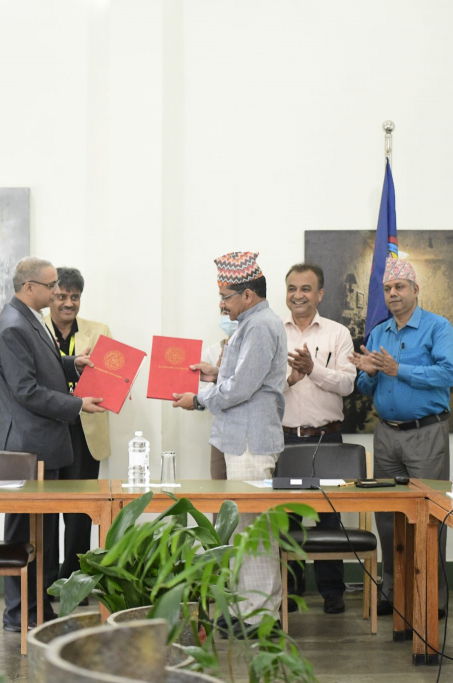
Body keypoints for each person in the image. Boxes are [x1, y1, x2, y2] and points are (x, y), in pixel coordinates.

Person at [173, 251, 288, 632]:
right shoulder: (252, 324)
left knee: (255, 530)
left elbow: (240, 388)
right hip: (238, 439)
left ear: (248, 295)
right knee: (237, 529)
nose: (221, 304)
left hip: (251, 444)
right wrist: (213, 372)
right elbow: (240, 377)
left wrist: (200, 396)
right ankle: (243, 611)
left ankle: (259, 617)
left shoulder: (259, 326)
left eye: (225, 296)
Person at [0, 256, 104, 632]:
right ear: (29, 288)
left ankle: (39, 609)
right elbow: (26, 390)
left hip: (42, 447)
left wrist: (73, 364)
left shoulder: (27, 318)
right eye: (51, 286)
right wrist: (76, 404)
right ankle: (19, 614)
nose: (57, 292)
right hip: (26, 451)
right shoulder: (12, 326)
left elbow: (46, 364)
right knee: (25, 536)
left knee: (44, 535)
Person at [349, 258, 453, 616]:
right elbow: (369, 384)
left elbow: (449, 373)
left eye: (399, 287)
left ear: (415, 290)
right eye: (387, 289)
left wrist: (400, 369)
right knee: (387, 516)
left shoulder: (437, 328)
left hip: (425, 433)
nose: (393, 294)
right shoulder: (379, 333)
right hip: (387, 435)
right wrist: (366, 373)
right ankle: (392, 591)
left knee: (429, 515)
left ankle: (433, 596)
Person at [281, 263, 357, 614]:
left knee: (329, 516)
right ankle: (291, 593)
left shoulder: (337, 333)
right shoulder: (273, 332)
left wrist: (315, 369)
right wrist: (292, 378)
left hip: (328, 440)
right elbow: (263, 390)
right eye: (292, 288)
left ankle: (333, 591)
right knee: (287, 519)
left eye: (306, 288)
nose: (298, 295)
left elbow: (347, 383)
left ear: (320, 293)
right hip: (284, 441)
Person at [43, 267, 112, 585]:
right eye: (60, 296)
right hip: (47, 430)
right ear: (50, 298)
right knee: (46, 511)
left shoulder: (99, 332)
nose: (67, 303)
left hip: (84, 431)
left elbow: (111, 381)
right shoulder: (36, 329)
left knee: (81, 511)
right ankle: (46, 579)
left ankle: (76, 579)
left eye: (74, 296)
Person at [202, 310, 238, 480]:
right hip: (220, 433)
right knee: (218, 491)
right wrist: (217, 376)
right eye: (224, 312)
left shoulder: (255, 348)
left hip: (246, 436)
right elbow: (202, 394)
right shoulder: (212, 351)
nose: (229, 317)